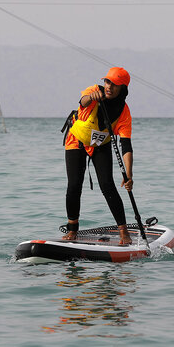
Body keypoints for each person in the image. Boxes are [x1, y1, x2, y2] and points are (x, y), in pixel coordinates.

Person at [62, 67, 134, 245]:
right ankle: (72, 230)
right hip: (76, 140)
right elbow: (83, 101)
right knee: (74, 185)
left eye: (114, 84)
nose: (108, 86)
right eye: (107, 82)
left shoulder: (124, 112)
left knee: (108, 185)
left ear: (122, 89)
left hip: (101, 145)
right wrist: (91, 97)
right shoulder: (93, 91)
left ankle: (124, 232)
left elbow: (125, 145)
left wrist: (129, 175)